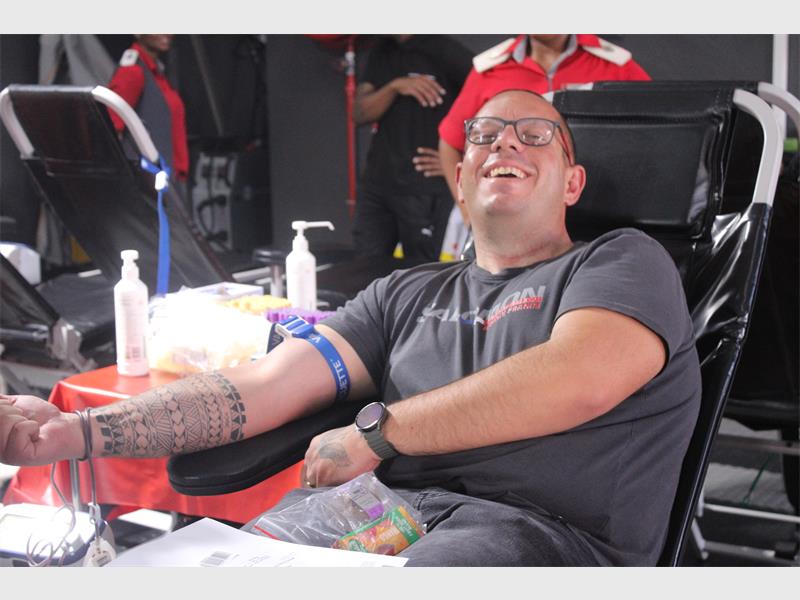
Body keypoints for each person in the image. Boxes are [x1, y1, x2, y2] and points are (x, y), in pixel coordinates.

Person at [0, 90, 701, 566]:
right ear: (460, 182)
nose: (502, 143)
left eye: (534, 134)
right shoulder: (407, 293)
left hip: (539, 535)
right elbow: (267, 385)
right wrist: (70, 433)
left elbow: (574, 380)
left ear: (572, 183)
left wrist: (379, 434)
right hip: (378, 513)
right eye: (482, 135)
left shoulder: (621, 262)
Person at [438, 34, 650, 226]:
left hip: (600, 214)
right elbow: (450, 140)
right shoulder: (490, 70)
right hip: (513, 220)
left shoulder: (616, 66)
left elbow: (659, 132)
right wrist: (468, 214)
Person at [352, 34, 472, 261]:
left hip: (424, 190)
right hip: (377, 187)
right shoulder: (381, 51)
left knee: (422, 277)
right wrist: (395, 87)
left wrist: (459, 158)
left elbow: (491, 101)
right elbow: (359, 112)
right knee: (366, 270)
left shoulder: (444, 49)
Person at [107, 34, 189, 185]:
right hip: (147, 182)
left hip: (167, 178)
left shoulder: (157, 70)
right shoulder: (133, 71)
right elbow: (111, 129)